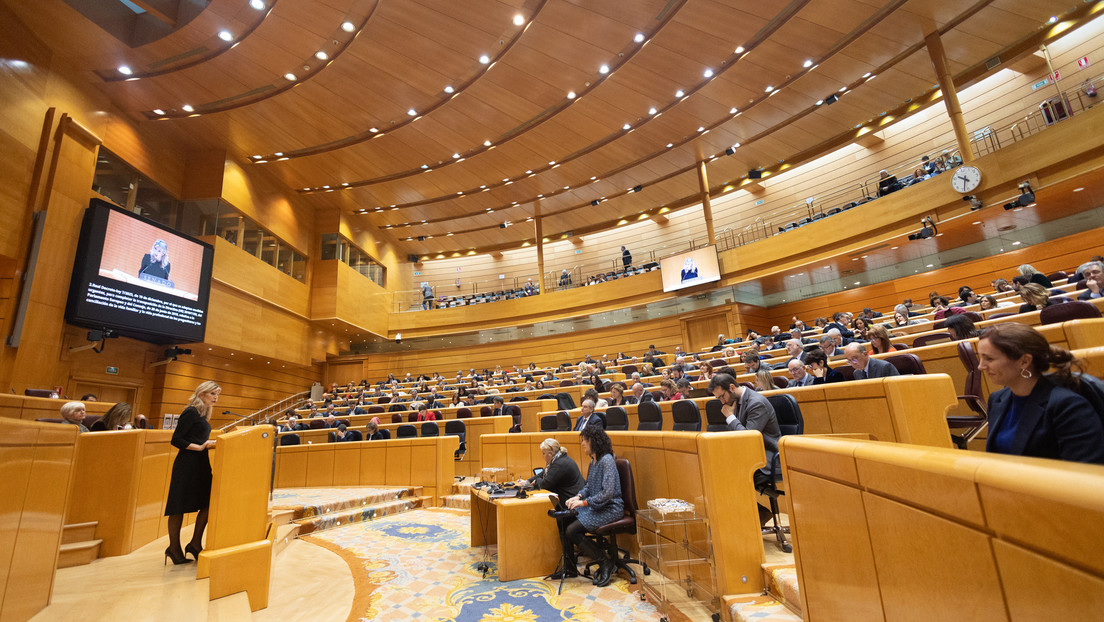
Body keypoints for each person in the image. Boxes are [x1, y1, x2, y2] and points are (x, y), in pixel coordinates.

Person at [979, 324, 1104, 464]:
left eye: (989, 359)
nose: (981, 366)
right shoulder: (997, 400)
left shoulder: (1067, 405)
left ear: (1024, 361)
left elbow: (1084, 473)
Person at [706, 372, 782, 527]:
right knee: (714, 470)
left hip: (767, 458)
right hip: (751, 455)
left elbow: (747, 438)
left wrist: (730, 417)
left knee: (726, 476)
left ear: (732, 387)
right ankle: (752, 515)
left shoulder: (756, 403)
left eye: (722, 396)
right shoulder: (738, 401)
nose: (721, 402)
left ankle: (755, 515)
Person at [558, 425, 623, 586]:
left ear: (593, 441)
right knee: (565, 519)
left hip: (611, 508)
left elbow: (607, 493)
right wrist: (578, 496)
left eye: (584, 441)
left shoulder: (607, 460)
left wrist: (584, 503)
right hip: (597, 506)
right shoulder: (593, 461)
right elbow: (588, 487)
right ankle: (570, 567)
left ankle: (604, 561)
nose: (582, 444)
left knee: (572, 530)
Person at [164, 381, 220, 566]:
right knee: (178, 506)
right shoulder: (191, 412)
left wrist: (206, 443)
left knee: (207, 503)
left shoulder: (203, 415)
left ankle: (195, 543)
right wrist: (200, 446)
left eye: (217, 394)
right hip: (187, 465)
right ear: (202, 393)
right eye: (212, 393)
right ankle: (174, 548)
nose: (215, 397)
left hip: (201, 464)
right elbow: (177, 439)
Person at [515, 438, 586, 508]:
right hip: (568, 496)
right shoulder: (558, 458)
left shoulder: (560, 463)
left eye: (543, 453)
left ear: (551, 454)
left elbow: (546, 484)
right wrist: (527, 481)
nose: (542, 456)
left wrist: (536, 481)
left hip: (570, 500)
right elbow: (542, 473)